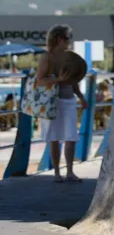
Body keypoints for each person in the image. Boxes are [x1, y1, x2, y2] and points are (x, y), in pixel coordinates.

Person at [34, 25, 87, 183]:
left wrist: (81, 97)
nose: (69, 42)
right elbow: (40, 80)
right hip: (52, 101)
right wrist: (58, 80)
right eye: (67, 39)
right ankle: (57, 172)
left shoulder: (70, 57)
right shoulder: (47, 58)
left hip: (69, 100)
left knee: (71, 136)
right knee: (54, 138)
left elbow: (73, 80)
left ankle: (69, 171)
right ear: (59, 39)